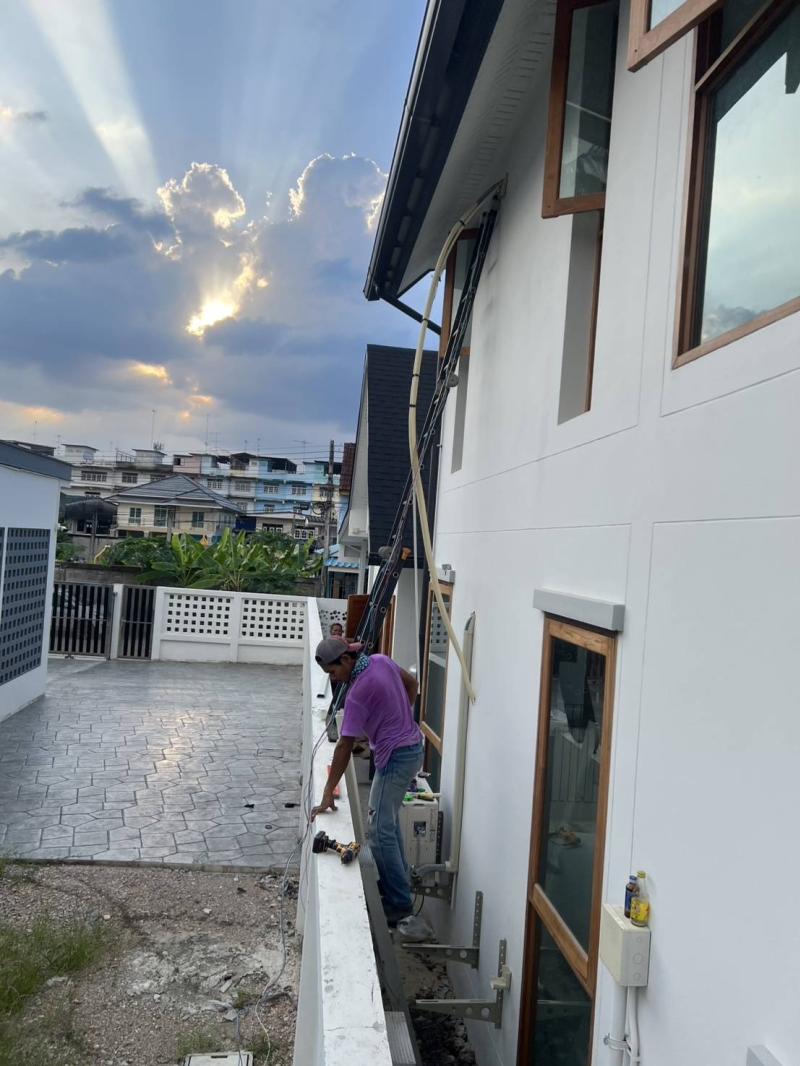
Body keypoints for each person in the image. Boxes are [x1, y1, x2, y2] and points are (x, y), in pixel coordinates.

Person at [311, 637, 423, 923]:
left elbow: (344, 746)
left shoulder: (358, 693)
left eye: (333, 672)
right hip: (413, 748)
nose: (333, 678)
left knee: (378, 830)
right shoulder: (380, 661)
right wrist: (398, 718)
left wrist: (327, 792)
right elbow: (412, 685)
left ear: (346, 659)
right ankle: (397, 885)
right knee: (387, 824)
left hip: (396, 757)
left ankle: (399, 903)